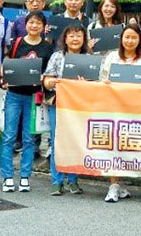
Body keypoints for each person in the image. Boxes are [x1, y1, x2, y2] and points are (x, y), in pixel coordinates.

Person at [0, 12, 53, 193]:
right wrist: (5, 77)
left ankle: (24, 176)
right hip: (14, 95)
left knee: (29, 138)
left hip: (34, 97)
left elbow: (49, 72)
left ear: (43, 27)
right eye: (31, 22)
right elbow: (6, 64)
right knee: (9, 136)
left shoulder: (47, 48)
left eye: (38, 23)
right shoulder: (16, 43)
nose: (34, 26)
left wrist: (42, 77)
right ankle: (7, 176)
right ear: (26, 24)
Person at [100, 23, 141, 203]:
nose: (130, 41)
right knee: (113, 146)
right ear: (121, 39)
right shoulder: (112, 56)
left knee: (126, 147)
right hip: (113, 107)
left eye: (134, 37)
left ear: (140, 40)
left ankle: (120, 184)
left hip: (133, 109)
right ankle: (113, 185)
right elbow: (102, 78)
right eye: (127, 37)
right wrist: (106, 83)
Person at [42, 23, 90, 196]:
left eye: (79, 35)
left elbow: (95, 83)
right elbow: (46, 80)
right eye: (71, 35)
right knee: (57, 141)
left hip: (79, 106)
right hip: (59, 103)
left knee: (75, 141)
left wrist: (86, 83)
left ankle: (73, 180)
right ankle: (57, 181)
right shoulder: (57, 56)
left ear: (84, 39)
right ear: (65, 38)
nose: (75, 39)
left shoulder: (88, 58)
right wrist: (51, 82)